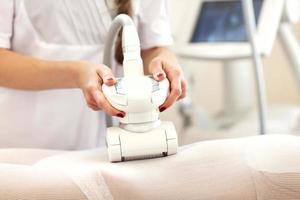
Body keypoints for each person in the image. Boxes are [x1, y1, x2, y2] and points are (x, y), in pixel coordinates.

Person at [0, 0, 186, 149]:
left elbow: (152, 47)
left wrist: (163, 60)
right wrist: (76, 74)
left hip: (113, 142)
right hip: (31, 147)